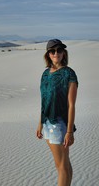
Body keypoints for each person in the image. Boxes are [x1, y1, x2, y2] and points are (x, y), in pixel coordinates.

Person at [35, 39, 78, 186]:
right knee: (63, 164)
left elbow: (71, 105)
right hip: (47, 122)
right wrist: (40, 124)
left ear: (63, 53)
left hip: (58, 124)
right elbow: (44, 101)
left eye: (59, 50)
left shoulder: (69, 74)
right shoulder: (45, 74)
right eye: (52, 51)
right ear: (48, 54)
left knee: (61, 166)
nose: (56, 53)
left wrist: (70, 131)